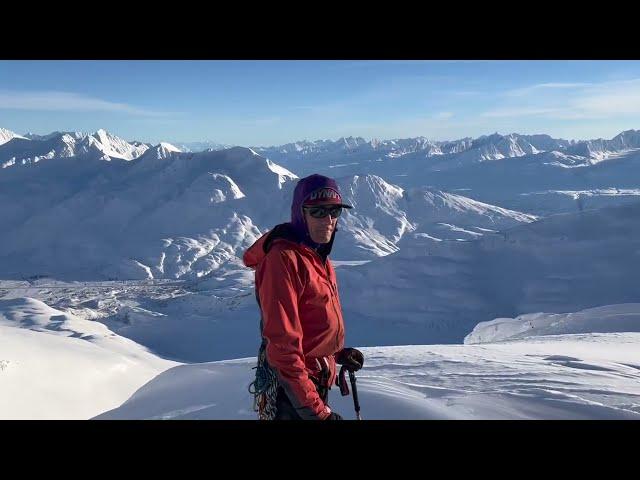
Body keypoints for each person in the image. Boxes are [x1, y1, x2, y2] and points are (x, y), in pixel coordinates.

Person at [244, 173, 364, 420]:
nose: (328, 220)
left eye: (334, 211)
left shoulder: (317, 256)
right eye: (318, 212)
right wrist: (317, 412)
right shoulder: (283, 259)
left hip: (312, 380)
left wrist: (336, 353)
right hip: (293, 391)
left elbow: (312, 320)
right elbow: (283, 347)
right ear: (301, 214)